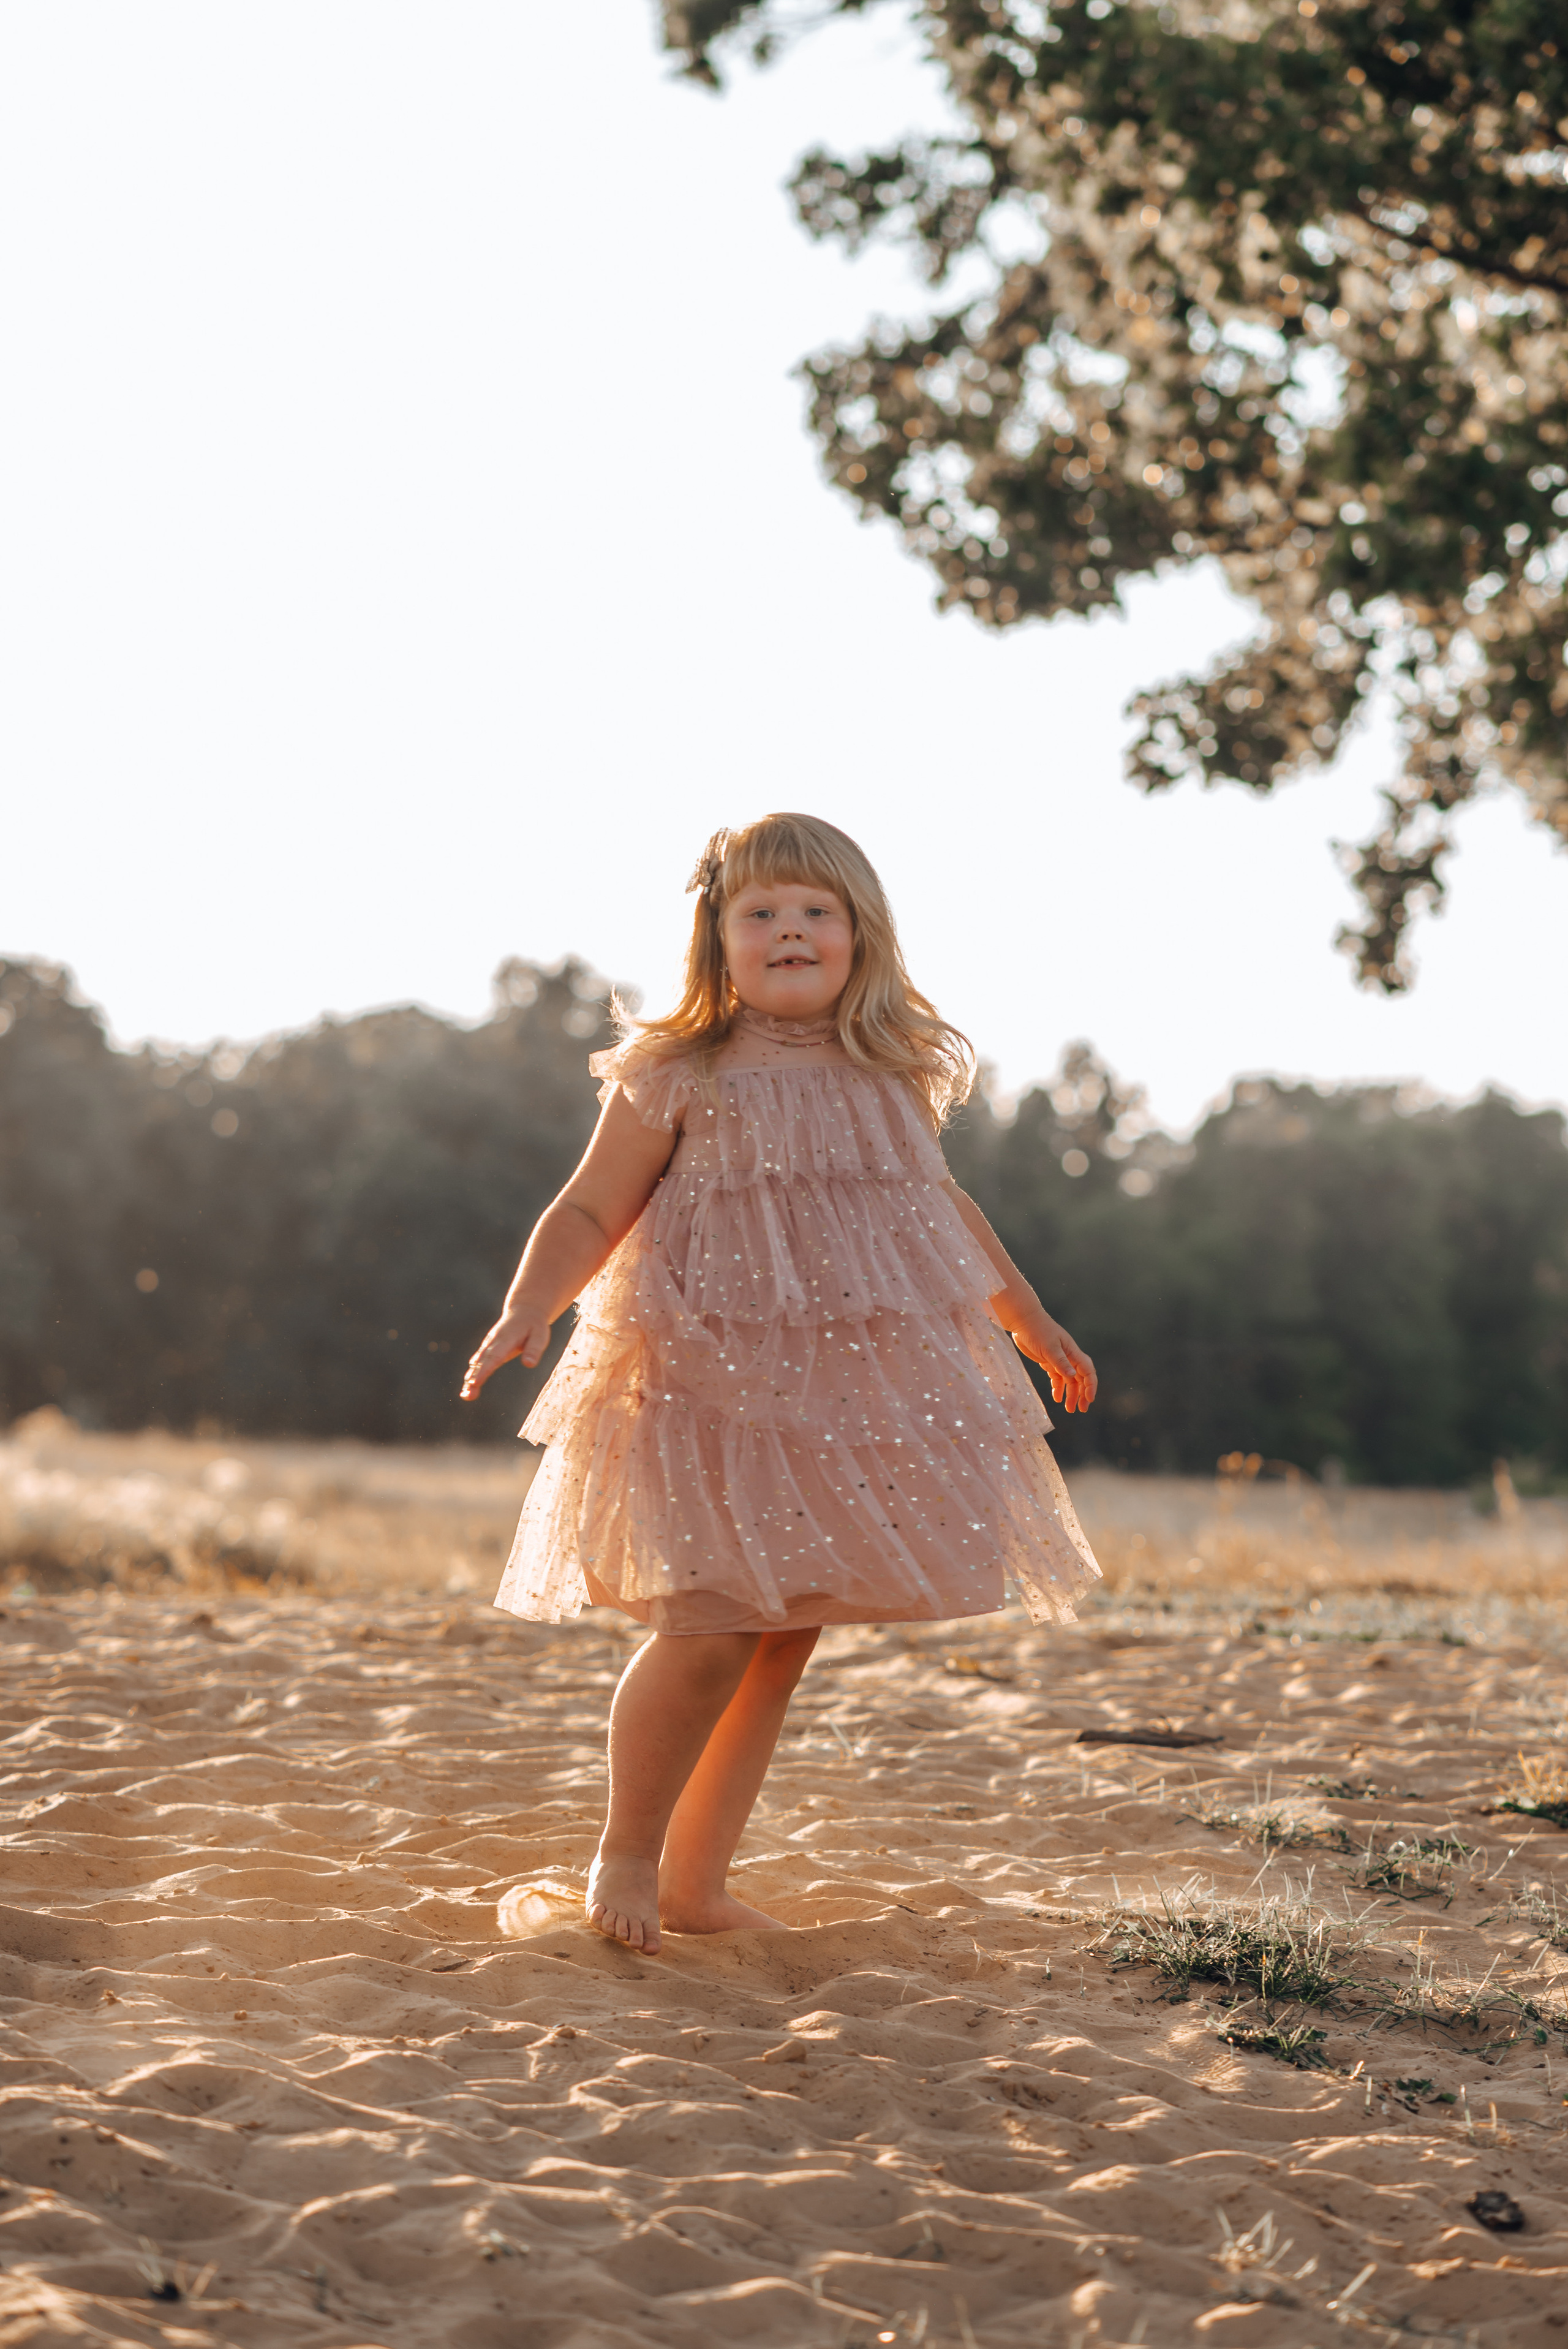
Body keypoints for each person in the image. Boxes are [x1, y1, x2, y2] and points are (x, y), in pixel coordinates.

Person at [462, 813, 1099, 1953]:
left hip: (834, 1406)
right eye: (761, 912)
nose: (790, 930)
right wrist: (530, 1303)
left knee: (780, 1634)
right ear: (718, 938)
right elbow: (590, 1208)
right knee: (707, 1625)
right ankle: (627, 1846)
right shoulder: (676, 1070)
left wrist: (1031, 1318)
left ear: (862, 937)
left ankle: (698, 1885)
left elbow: (939, 1211)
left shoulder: (890, 1073)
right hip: (704, 1388)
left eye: (817, 911)